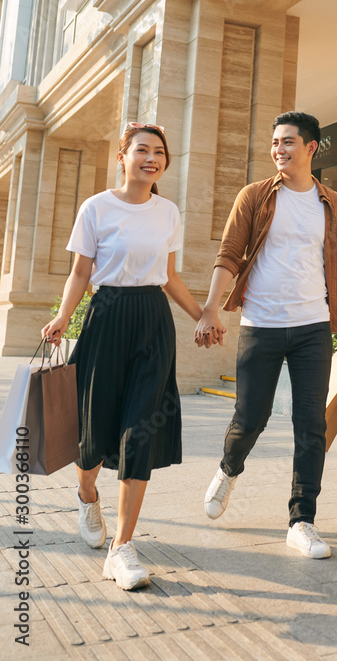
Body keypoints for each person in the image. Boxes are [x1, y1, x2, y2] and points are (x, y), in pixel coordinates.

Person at [194, 111, 337, 559]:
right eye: (275, 143)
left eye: (288, 142)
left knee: (310, 424)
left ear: (311, 147)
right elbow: (229, 254)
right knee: (250, 416)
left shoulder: (334, 204)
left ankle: (302, 520)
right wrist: (211, 308)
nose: (279, 150)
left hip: (314, 326)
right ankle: (228, 468)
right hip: (262, 323)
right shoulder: (254, 196)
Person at [42, 122, 202, 591]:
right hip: (106, 317)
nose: (150, 158)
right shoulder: (96, 207)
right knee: (96, 426)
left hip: (152, 321)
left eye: (158, 152)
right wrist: (62, 318)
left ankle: (122, 547)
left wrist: (201, 315)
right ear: (122, 156)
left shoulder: (168, 211)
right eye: (141, 150)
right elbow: (80, 272)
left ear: (165, 162)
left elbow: (168, 276)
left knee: (140, 429)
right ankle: (87, 493)